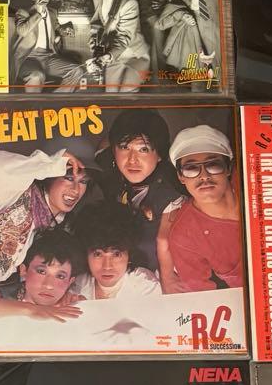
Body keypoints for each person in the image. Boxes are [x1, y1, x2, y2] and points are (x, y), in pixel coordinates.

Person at [0, 138, 96, 287]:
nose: (75, 189)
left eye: (83, 181)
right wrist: (43, 164)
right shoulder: (14, 191)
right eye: (68, 178)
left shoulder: (58, 226)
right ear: (49, 176)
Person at [95, 108, 183, 272]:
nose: (132, 160)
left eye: (143, 149)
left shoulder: (174, 192)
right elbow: (103, 149)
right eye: (124, 147)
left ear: (160, 154)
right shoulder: (107, 168)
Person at [157, 125, 243, 294]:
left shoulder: (256, 184)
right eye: (191, 168)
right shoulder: (184, 235)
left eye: (213, 164)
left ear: (229, 168)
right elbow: (202, 294)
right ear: (180, 176)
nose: (204, 176)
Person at [0, 228, 82, 323]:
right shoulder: (8, 288)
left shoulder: (72, 302)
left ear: (70, 282)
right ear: (24, 270)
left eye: (60, 276)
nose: (48, 285)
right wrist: (32, 309)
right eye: (41, 271)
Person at [69, 203, 160, 303]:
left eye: (116, 254)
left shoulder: (145, 284)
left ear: (129, 255)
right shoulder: (76, 285)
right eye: (98, 254)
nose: (107, 266)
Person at [84, 0, 150, 92]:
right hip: (111, 53)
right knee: (111, 92)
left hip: (133, 55)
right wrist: (94, 38)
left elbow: (124, 38)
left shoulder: (130, 4)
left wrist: (108, 57)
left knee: (125, 93)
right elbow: (97, 21)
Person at [11, 0, 81, 91]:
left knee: (77, 71)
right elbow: (22, 31)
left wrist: (63, 30)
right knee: (37, 76)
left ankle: (57, 100)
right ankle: (33, 102)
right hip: (28, 57)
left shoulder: (52, 12)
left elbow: (55, 27)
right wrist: (39, 13)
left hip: (48, 56)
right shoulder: (24, 12)